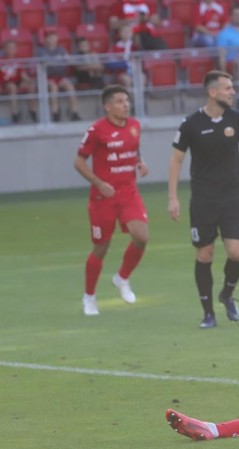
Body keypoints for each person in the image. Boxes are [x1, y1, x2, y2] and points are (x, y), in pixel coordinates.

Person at [167, 70, 239, 329]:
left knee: (236, 253)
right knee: (205, 254)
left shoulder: (237, 120)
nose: (233, 92)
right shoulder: (190, 124)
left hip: (232, 197)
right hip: (202, 200)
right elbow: (176, 159)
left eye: (232, 88)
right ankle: (208, 313)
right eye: (227, 88)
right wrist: (172, 197)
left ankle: (226, 293)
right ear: (213, 92)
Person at [73, 85, 149, 316]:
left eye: (126, 100)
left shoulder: (135, 125)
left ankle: (122, 278)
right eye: (119, 101)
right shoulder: (97, 130)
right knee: (101, 247)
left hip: (128, 192)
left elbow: (133, 148)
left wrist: (139, 162)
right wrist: (99, 183)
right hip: (102, 197)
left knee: (142, 237)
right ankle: (89, 297)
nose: (125, 104)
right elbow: (79, 163)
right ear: (107, 106)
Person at [37, 29, 82, 122]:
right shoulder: (41, 50)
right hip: (48, 77)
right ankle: (55, 113)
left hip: (61, 76)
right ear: (45, 39)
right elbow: (44, 64)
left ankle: (74, 112)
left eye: (54, 36)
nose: (53, 39)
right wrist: (57, 62)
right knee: (53, 88)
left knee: (70, 87)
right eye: (50, 37)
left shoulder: (61, 49)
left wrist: (54, 62)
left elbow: (67, 60)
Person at [1, 40, 38, 124]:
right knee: (12, 87)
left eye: (14, 48)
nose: (12, 49)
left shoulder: (18, 60)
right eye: (10, 48)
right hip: (6, 83)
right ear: (5, 49)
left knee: (31, 86)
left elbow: (23, 75)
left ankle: (32, 110)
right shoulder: (2, 61)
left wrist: (30, 80)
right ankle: (15, 113)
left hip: (17, 81)